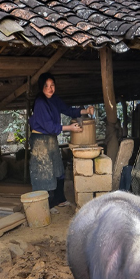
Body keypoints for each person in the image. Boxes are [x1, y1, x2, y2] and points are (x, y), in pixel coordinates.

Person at [29, 72, 94, 208]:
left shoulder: (55, 99)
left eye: (52, 85)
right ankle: (44, 204)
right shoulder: (40, 103)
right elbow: (49, 126)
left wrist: (86, 111)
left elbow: (68, 110)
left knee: (58, 168)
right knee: (44, 171)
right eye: (46, 86)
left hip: (51, 139)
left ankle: (59, 199)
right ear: (41, 87)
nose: (50, 88)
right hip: (40, 141)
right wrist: (70, 127)